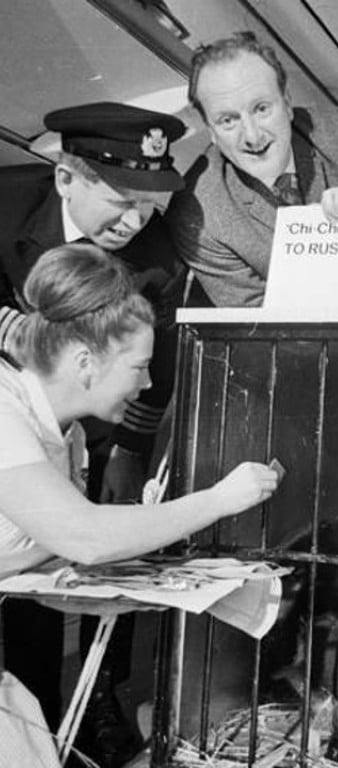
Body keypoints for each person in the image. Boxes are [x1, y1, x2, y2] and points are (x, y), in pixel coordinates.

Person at [0, 243, 280, 766]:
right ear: (86, 363)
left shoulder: (70, 436)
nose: (149, 383)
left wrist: (114, 590)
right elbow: (84, 535)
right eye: (139, 366)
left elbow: (35, 559)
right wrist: (217, 500)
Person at [0, 101, 188, 765]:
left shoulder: (158, 256)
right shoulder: (3, 210)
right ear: (65, 178)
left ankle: (58, 727)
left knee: (49, 593)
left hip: (87, 426)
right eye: (121, 199)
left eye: (150, 203)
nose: (135, 221)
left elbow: (149, 370)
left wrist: (127, 455)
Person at [165, 31, 338, 307]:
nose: (252, 136)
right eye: (228, 120)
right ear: (211, 132)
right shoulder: (197, 214)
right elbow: (254, 322)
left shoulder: (332, 131)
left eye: (262, 109)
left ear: (287, 105)